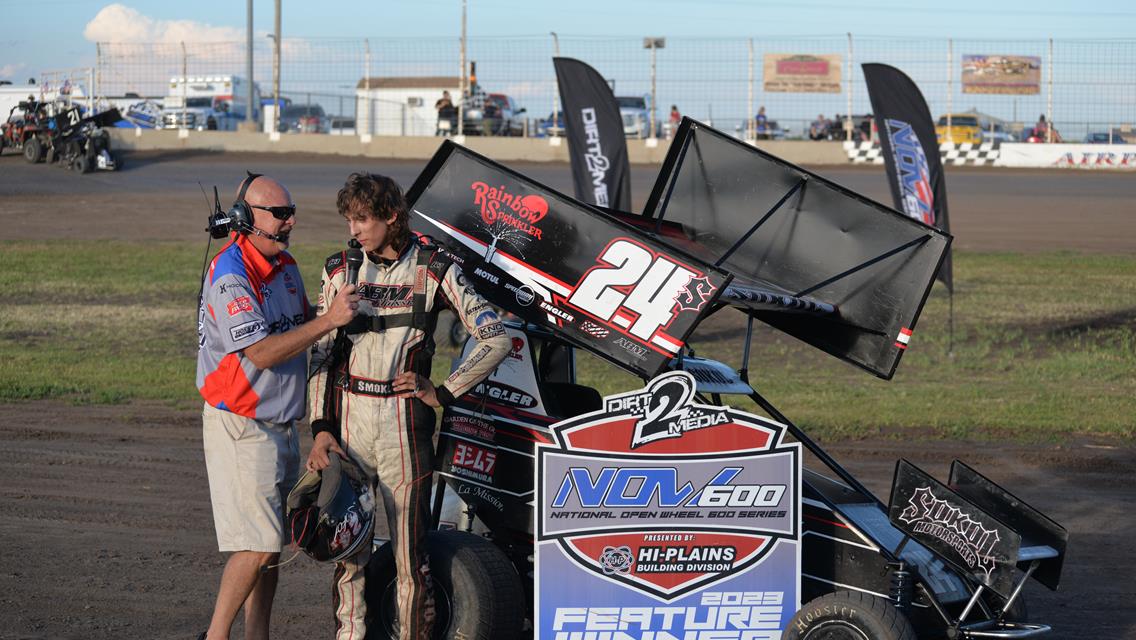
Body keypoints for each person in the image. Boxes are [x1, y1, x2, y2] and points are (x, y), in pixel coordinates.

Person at [307, 173, 511, 640]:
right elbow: (322, 350)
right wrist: (321, 427)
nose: (353, 229)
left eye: (362, 219)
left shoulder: (435, 268)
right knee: (348, 553)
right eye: (349, 220)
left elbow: (495, 337)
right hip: (350, 427)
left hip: (405, 428)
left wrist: (443, 392)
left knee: (408, 560)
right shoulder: (339, 268)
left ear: (392, 216)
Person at [196, 174, 360, 640]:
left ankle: (257, 636)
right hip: (241, 423)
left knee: (271, 546)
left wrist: (333, 314)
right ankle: (216, 636)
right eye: (279, 214)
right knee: (259, 544)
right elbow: (264, 352)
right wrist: (329, 321)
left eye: (292, 213)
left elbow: (301, 325)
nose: (289, 222)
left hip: (280, 425)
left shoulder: (285, 267)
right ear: (247, 219)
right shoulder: (231, 275)